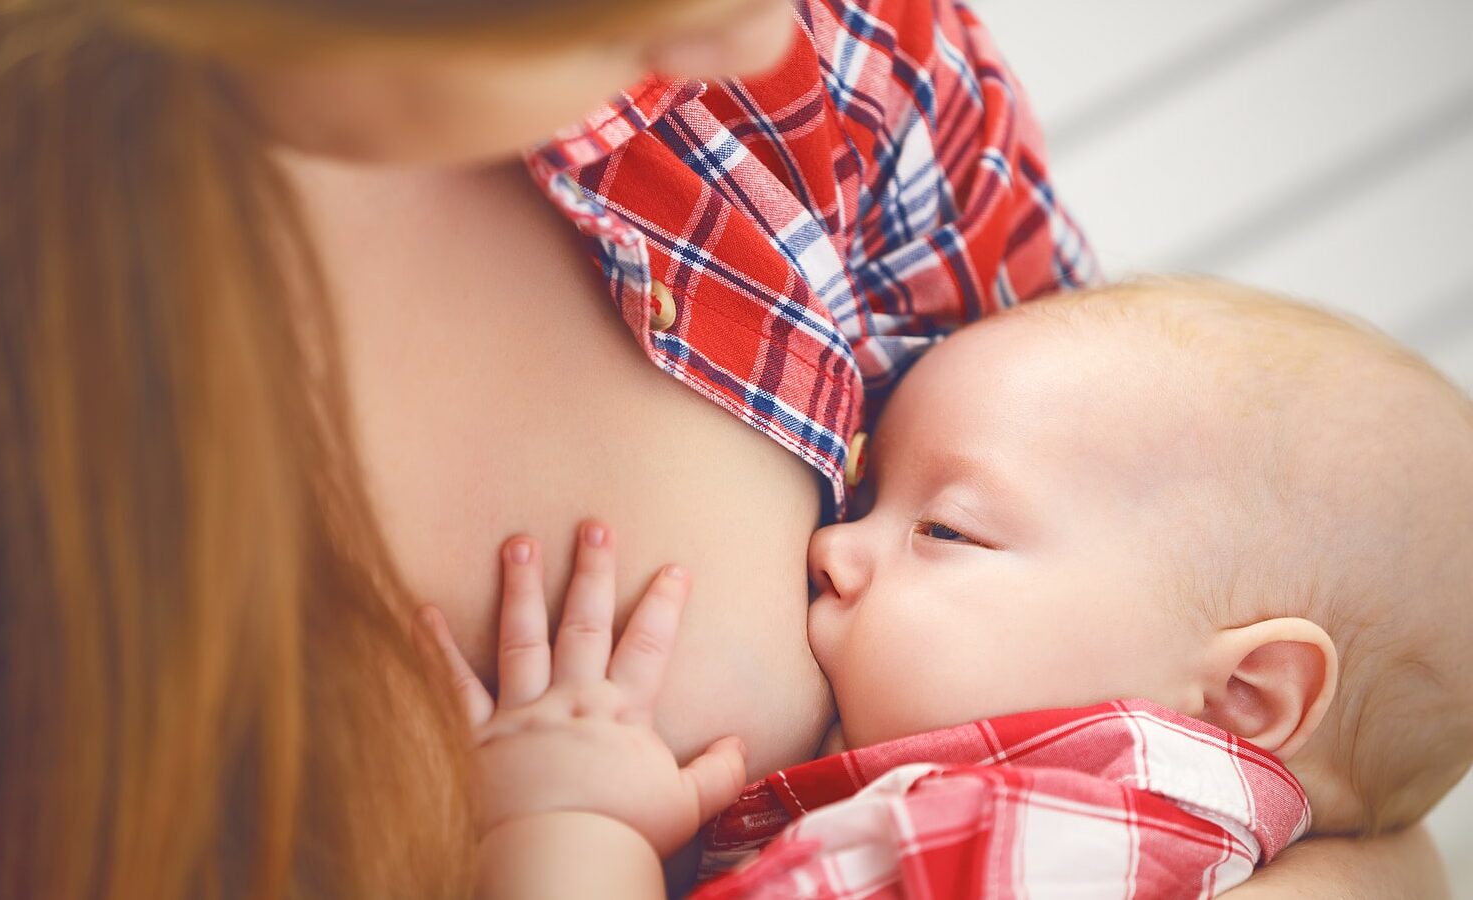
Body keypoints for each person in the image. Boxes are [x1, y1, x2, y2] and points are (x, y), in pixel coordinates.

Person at [0, 0, 1446, 895]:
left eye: (943, 532)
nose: (769, 27)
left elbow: (1212, 567)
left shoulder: (819, 71)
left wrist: (567, 830)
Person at [432, 278, 1473, 897]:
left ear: (1247, 695)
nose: (831, 550)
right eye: (868, 492)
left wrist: (568, 833)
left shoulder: (1031, 846)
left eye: (944, 528)